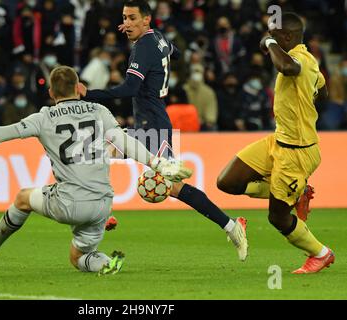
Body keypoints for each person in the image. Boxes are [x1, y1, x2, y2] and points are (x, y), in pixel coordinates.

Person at [0, 66, 192, 275]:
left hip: (69, 202)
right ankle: (105, 262)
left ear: (51, 93)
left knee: (24, 198)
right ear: (79, 87)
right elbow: (123, 141)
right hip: (104, 204)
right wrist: (158, 163)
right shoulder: (99, 110)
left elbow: (1, 134)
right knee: (79, 256)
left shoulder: (44, 117)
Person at [78, 0, 248, 261]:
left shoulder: (144, 47)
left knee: (97, 155)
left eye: (133, 18)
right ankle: (230, 225)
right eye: (125, 18)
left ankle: (231, 226)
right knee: (95, 155)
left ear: (146, 19)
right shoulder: (158, 38)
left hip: (153, 125)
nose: (127, 23)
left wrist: (88, 94)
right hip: (151, 121)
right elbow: (174, 52)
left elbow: (129, 89)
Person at [216, 13, 334, 274]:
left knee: (277, 217)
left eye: (276, 34)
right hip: (278, 141)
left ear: (288, 37)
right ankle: (297, 193)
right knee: (227, 182)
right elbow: (323, 93)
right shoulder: (309, 62)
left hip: (297, 153)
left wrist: (269, 44)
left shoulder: (300, 60)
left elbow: (289, 68)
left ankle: (321, 253)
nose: (270, 38)